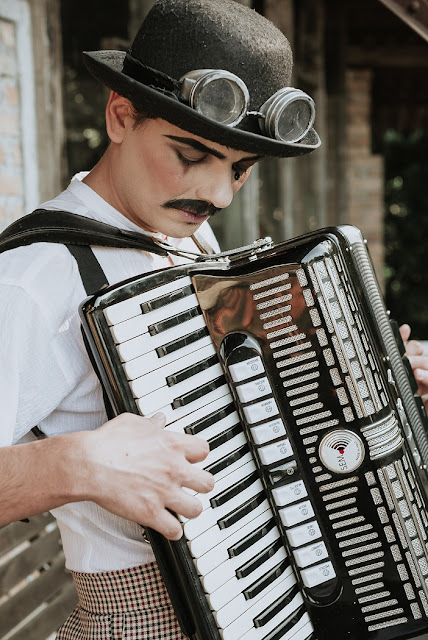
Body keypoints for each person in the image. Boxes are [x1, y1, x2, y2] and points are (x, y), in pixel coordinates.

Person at [0, 0, 427, 638]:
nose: (220, 194)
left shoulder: (184, 241)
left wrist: (366, 384)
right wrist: (74, 465)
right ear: (121, 116)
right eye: (191, 154)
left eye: (240, 169)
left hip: (270, 599)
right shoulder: (33, 278)